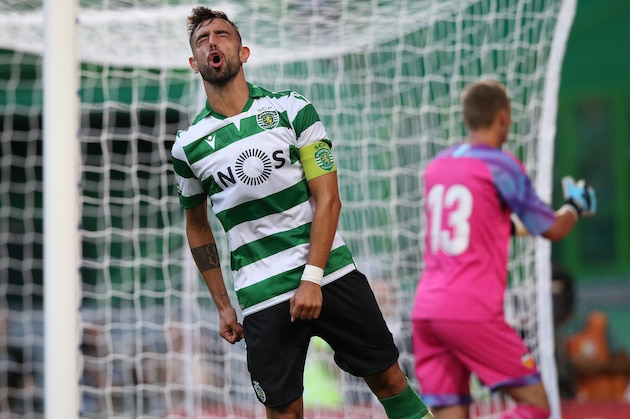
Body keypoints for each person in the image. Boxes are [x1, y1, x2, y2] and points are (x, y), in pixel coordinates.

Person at [171, 7, 433, 419]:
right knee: (285, 413)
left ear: (244, 50)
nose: (212, 43)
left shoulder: (294, 110)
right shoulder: (188, 146)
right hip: (260, 295)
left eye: (222, 34)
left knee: (390, 382)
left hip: (330, 274)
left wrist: (311, 279)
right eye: (202, 40)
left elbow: (329, 199)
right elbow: (197, 226)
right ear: (193, 62)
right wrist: (222, 304)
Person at [411, 80, 596, 419]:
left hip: (426, 311)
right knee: (536, 406)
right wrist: (574, 206)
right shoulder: (500, 164)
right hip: (469, 311)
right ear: (502, 117)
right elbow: (553, 229)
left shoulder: (437, 166)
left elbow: (480, 226)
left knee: (450, 414)